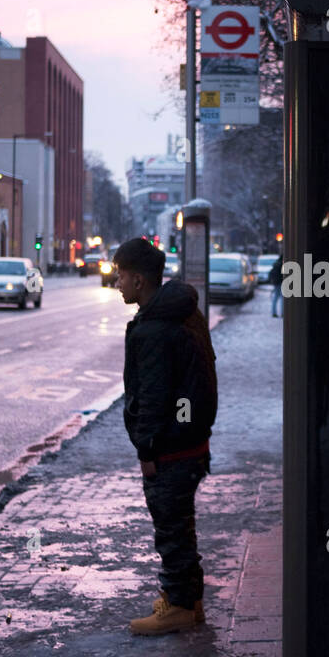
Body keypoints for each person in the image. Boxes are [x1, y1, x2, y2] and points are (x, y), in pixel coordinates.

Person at [114, 237, 218, 635]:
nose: (117, 283)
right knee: (180, 525)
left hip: (171, 449)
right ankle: (188, 602)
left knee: (171, 529)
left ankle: (178, 605)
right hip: (190, 443)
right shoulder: (182, 314)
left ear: (139, 280)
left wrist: (147, 450)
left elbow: (154, 397)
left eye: (121, 276)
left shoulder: (155, 329)